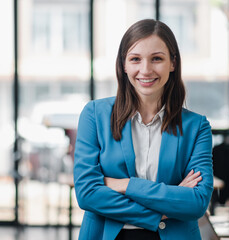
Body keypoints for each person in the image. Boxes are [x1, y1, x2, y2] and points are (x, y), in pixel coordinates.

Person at [73, 19, 213, 240]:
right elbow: (87, 194)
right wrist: (162, 211)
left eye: (157, 58)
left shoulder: (197, 127)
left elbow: (196, 203)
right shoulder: (94, 115)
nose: (145, 70)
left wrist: (124, 185)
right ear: (124, 64)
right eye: (135, 59)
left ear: (173, 63)